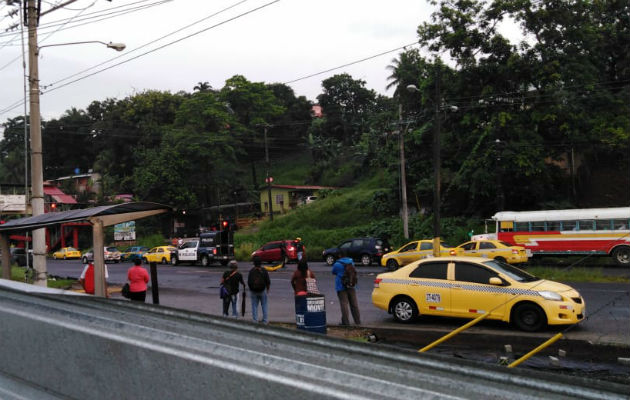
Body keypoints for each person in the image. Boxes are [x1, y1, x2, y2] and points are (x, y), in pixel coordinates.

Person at [331, 257, 361, 325]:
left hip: (341, 287)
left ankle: (346, 322)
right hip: (351, 286)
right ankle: (357, 321)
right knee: (354, 304)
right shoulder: (351, 262)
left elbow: (333, 272)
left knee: (344, 304)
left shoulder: (337, 264)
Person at [248, 257, 270, 324]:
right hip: (262, 290)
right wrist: (267, 289)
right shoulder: (264, 270)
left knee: (254, 305)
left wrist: (251, 289)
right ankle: (265, 320)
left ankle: (255, 320)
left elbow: (249, 282)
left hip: (253, 291)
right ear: (261, 263)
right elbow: (268, 281)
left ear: (254, 263)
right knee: (264, 305)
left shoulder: (251, 271)